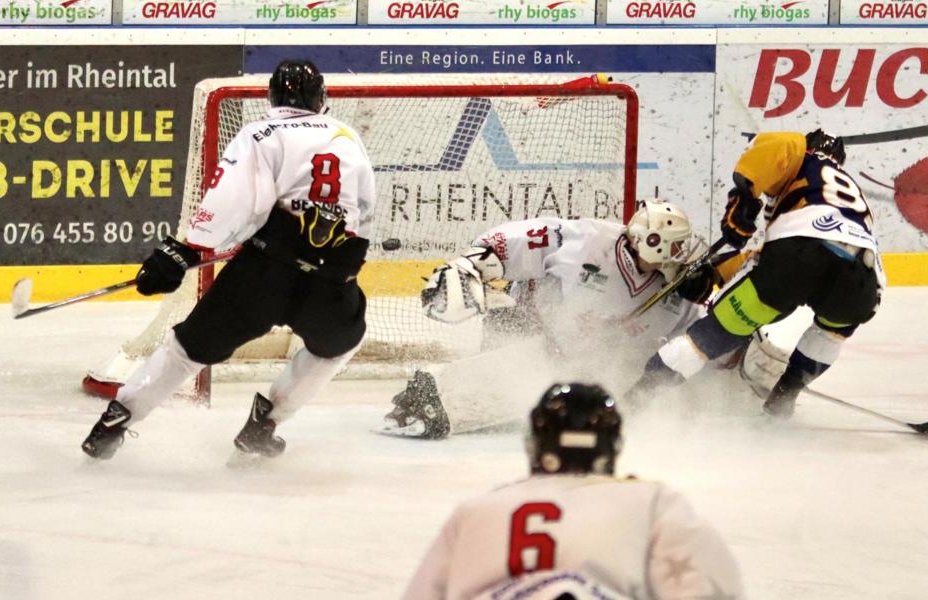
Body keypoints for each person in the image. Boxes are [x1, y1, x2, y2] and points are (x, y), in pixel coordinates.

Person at [81, 59, 376, 460]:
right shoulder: (348, 136)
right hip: (331, 280)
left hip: (264, 273)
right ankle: (265, 424)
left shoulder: (262, 132)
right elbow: (362, 211)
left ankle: (117, 420)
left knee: (187, 350)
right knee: (336, 347)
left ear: (272, 96)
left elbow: (233, 199)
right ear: (320, 97)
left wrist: (185, 249)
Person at [379, 201, 786, 439]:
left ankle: (457, 398)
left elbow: (699, 343)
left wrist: (744, 352)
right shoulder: (587, 241)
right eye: (676, 247)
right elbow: (514, 239)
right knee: (509, 374)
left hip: (579, 360)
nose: (685, 256)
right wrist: (472, 264)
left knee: (552, 397)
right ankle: (441, 397)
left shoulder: (677, 297)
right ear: (652, 244)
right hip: (525, 323)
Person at [402, 382, 746, 599]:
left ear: (537, 445)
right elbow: (714, 588)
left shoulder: (477, 510)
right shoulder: (652, 502)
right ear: (612, 447)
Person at [633, 130, 884, 418]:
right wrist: (717, 270)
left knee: (712, 335)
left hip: (797, 258)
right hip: (863, 278)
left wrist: (744, 197)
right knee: (833, 332)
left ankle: (637, 398)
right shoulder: (845, 195)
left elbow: (778, 148)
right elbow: (783, 254)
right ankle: (782, 400)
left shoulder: (803, 155)